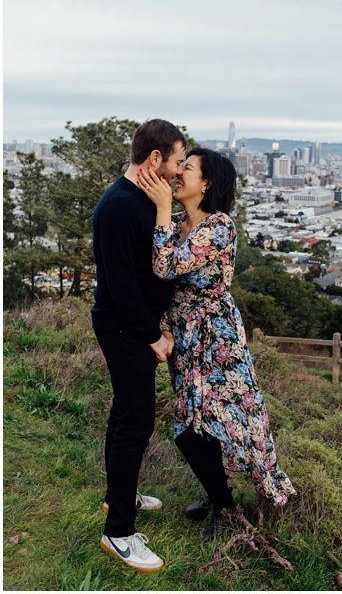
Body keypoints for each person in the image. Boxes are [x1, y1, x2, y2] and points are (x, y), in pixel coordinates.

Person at [136, 148, 296, 544]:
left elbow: (165, 266)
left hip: (217, 342)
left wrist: (158, 208)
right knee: (196, 425)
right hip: (186, 338)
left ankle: (227, 509)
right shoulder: (176, 222)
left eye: (186, 169)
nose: (178, 176)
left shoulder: (220, 226)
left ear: (206, 183)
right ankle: (217, 495)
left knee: (207, 427)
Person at [92, 118, 187, 572]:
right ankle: (120, 533)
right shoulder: (118, 206)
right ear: (155, 158)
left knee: (126, 415)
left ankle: (119, 497)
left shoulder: (146, 198)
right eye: (176, 161)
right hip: (124, 329)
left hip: (137, 327)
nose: (177, 169)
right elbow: (122, 285)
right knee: (136, 421)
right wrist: (154, 337)